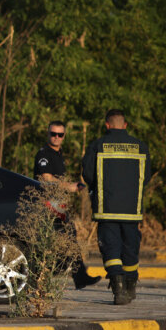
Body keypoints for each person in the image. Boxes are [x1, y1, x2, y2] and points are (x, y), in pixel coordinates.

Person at [81, 109, 150, 305]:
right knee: (130, 248)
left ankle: (118, 289)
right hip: (132, 210)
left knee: (111, 249)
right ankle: (130, 284)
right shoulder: (140, 146)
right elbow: (146, 177)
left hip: (107, 209)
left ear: (107, 125)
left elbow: (87, 174)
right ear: (125, 125)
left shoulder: (98, 145)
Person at [33, 121, 101, 290]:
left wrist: (74, 186)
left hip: (57, 204)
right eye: (53, 134)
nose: (56, 137)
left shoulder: (58, 153)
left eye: (60, 135)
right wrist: (68, 186)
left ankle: (79, 276)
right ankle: (75, 276)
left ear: (64, 136)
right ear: (48, 134)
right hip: (48, 204)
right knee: (60, 239)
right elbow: (46, 178)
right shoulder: (44, 154)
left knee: (68, 237)